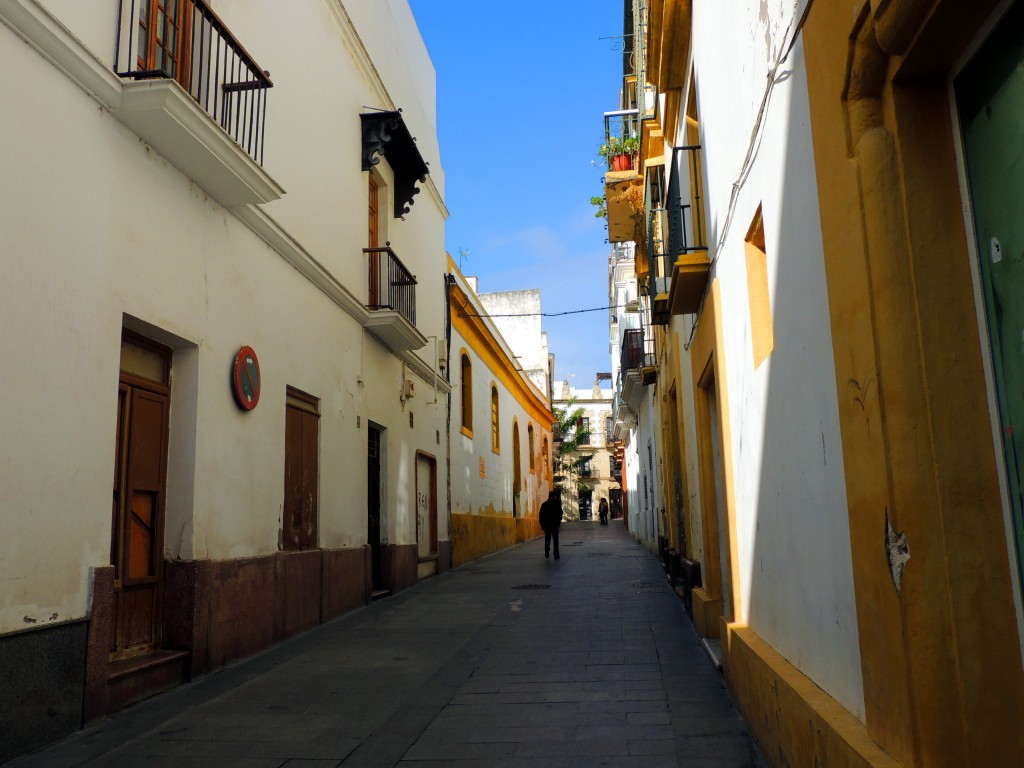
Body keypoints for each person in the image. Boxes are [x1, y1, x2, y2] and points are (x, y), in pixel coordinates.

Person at [538, 489, 563, 559]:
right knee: (555, 540)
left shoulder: (544, 504)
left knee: (547, 538)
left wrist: (542, 524)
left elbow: (541, 515)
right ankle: (556, 554)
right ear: (554, 496)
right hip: (555, 525)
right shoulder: (557, 504)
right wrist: (558, 522)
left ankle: (547, 550)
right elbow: (560, 514)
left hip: (547, 525)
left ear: (549, 496)